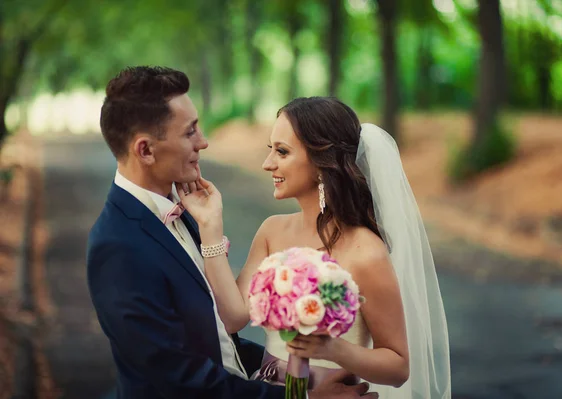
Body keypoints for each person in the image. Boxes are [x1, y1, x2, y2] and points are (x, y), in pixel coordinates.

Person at [86, 66, 377, 399]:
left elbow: (218, 341)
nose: (204, 142)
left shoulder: (186, 210)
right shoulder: (117, 246)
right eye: (189, 132)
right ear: (146, 150)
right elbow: (178, 380)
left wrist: (291, 373)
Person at [182, 97, 451, 398]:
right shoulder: (272, 230)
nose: (267, 163)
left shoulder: (366, 252)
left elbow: (398, 367)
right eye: (269, 149)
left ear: (323, 162)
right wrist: (209, 228)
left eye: (282, 152)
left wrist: (331, 347)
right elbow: (233, 317)